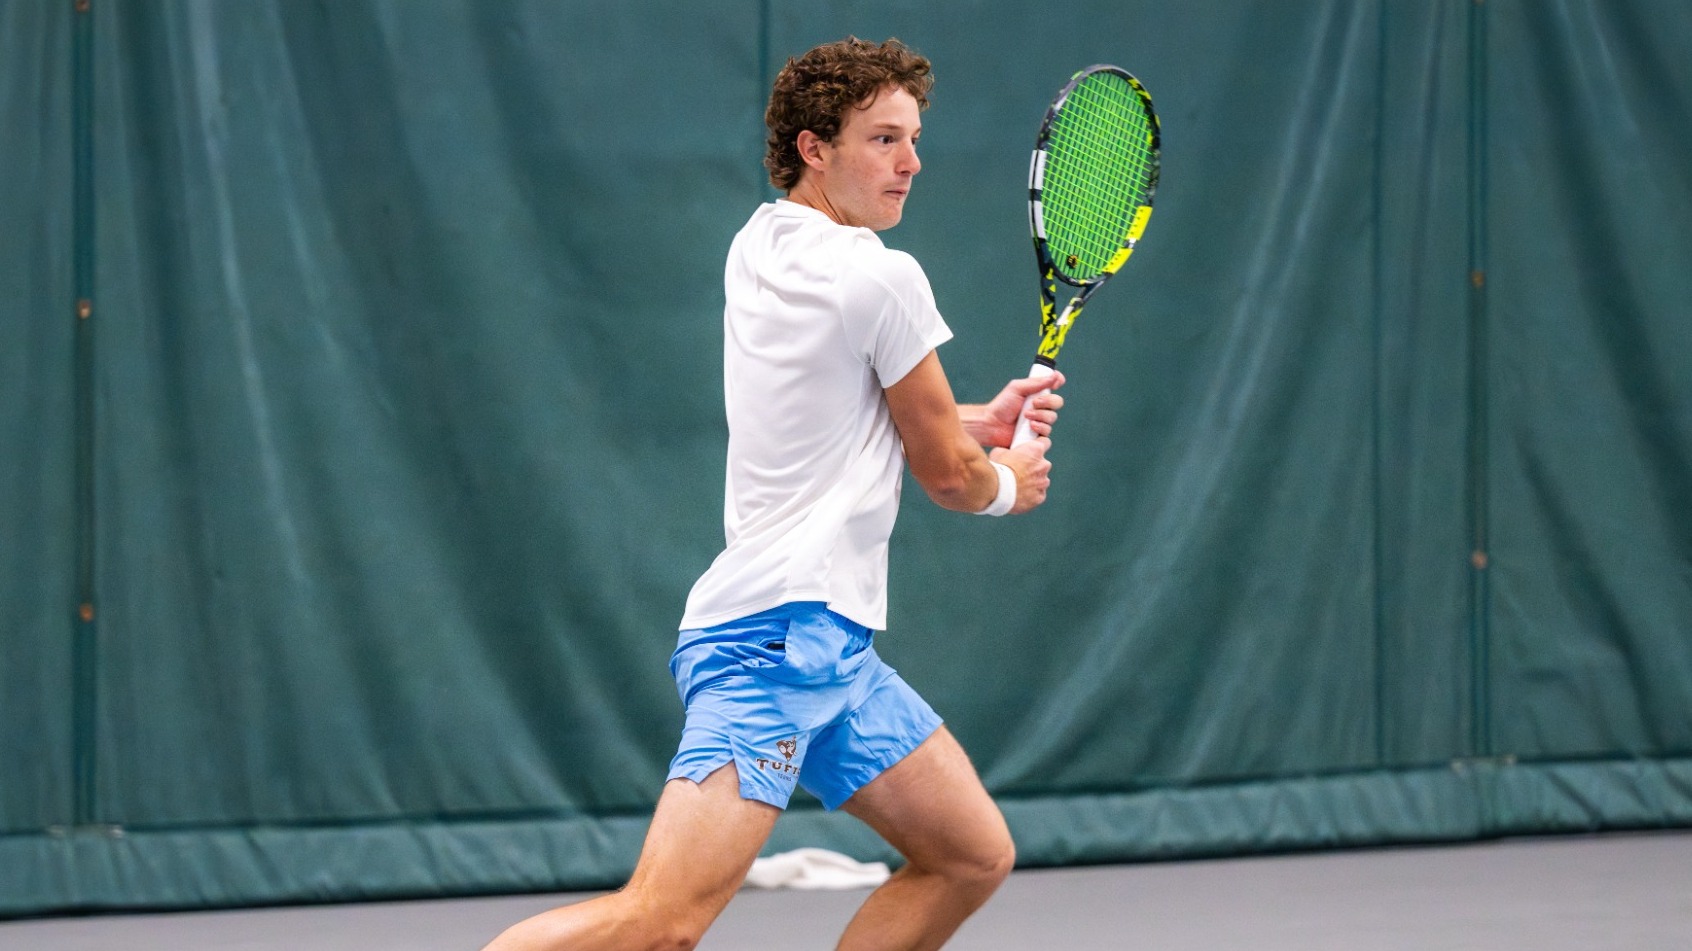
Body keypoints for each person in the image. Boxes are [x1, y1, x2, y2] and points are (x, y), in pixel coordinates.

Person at [482, 36, 1064, 951]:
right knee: (661, 921)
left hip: (832, 646)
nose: (912, 162)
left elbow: (844, 397)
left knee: (968, 854)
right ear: (813, 147)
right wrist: (1005, 483)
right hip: (773, 638)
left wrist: (975, 419)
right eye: (882, 140)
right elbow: (946, 475)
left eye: (914, 138)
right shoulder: (882, 274)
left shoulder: (761, 242)